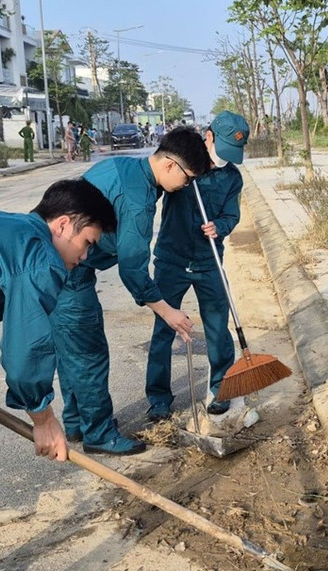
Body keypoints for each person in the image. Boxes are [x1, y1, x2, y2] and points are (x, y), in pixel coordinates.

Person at [0, 179, 117, 571]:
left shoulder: (7, 228)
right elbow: (24, 353)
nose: (84, 257)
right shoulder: (40, 256)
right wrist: (42, 417)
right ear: (64, 225)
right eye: (87, 243)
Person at [51, 126, 211, 455]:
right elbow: (132, 268)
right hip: (71, 270)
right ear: (169, 165)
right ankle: (98, 434)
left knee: (71, 350)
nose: (187, 186)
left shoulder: (127, 166)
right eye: (188, 178)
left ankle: (76, 423)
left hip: (52, 261)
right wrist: (168, 311)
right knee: (89, 354)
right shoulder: (139, 201)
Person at [145, 111, 249, 421]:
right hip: (172, 259)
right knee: (164, 328)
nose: (222, 161)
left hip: (209, 260)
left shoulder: (232, 177)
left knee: (218, 326)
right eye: (221, 151)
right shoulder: (182, 162)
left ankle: (220, 388)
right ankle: (159, 397)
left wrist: (220, 226)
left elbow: (232, 215)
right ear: (209, 136)